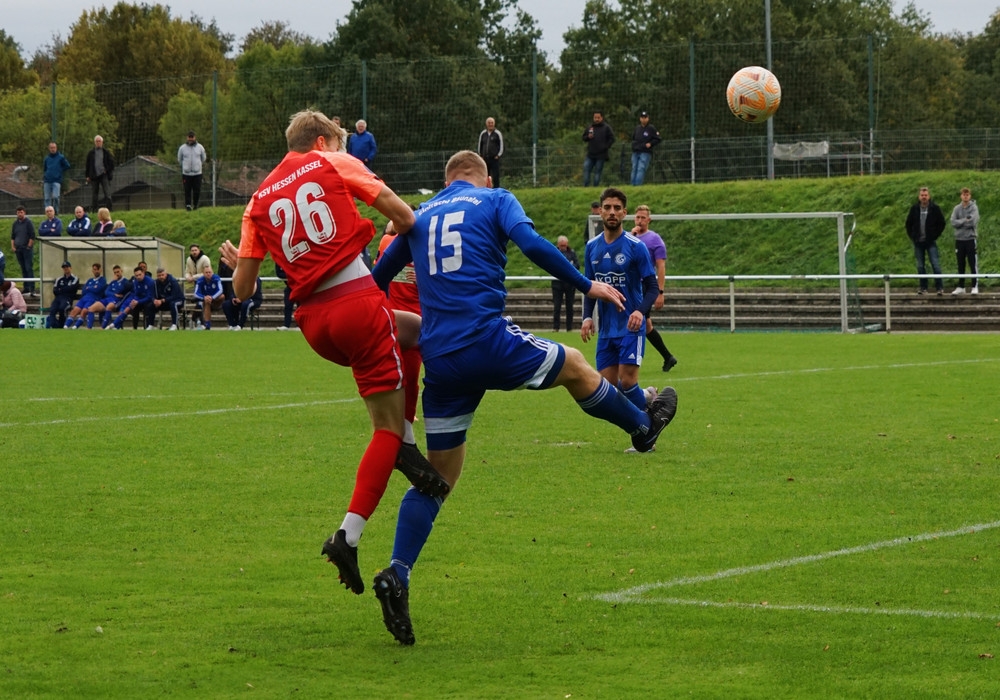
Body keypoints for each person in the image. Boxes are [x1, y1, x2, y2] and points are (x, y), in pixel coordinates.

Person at [371, 151, 677, 645]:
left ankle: (398, 572)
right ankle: (642, 427)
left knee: (439, 477)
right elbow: (532, 243)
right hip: (488, 341)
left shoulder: (417, 215)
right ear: (484, 177)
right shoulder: (495, 198)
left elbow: (376, 285)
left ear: (444, 181)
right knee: (577, 368)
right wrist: (585, 283)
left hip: (441, 358)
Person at [220, 109, 449, 599]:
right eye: (341, 142)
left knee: (418, 334)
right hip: (357, 304)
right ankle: (349, 533)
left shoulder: (257, 199)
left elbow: (241, 290)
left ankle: (406, 443)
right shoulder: (333, 164)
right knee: (384, 426)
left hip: (314, 322)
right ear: (323, 141)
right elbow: (405, 217)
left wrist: (236, 263)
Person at [377, 219, 423, 443]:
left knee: (403, 371)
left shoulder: (416, 246)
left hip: (405, 316)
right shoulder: (389, 242)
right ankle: (403, 419)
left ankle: (401, 418)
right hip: (404, 317)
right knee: (407, 373)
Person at [631, 205, 678, 371]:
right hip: (630, 284)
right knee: (646, 325)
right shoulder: (630, 237)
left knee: (638, 322)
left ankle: (633, 359)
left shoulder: (654, 239)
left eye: (643, 218)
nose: (640, 220)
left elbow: (661, 267)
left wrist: (660, 292)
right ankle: (668, 357)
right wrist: (631, 235)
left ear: (649, 220)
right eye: (637, 217)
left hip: (644, 286)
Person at [904, 187, 945, 295]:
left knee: (935, 264)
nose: (924, 197)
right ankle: (923, 287)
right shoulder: (914, 209)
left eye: (926, 195)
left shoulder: (935, 208)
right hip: (918, 242)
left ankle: (939, 287)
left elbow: (941, 223)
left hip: (930, 241)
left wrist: (934, 235)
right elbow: (908, 224)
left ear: (929, 196)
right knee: (920, 265)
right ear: (919, 196)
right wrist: (913, 236)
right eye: (922, 195)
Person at [950, 187, 979, 295]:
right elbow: (953, 222)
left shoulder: (974, 208)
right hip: (959, 239)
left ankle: (974, 285)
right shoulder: (957, 208)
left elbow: (972, 222)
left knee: (972, 263)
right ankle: (961, 286)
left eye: (967, 194)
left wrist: (960, 222)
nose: (965, 196)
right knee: (960, 263)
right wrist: (964, 220)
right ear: (961, 196)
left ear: (970, 196)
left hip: (970, 239)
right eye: (963, 194)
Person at [109, 265, 156, 330]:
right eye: (136, 276)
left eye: (140, 275)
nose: (138, 277)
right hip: (140, 300)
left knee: (148, 306)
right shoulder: (135, 282)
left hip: (149, 301)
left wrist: (137, 301)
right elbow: (137, 294)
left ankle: (148, 326)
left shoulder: (150, 281)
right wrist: (134, 301)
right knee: (132, 307)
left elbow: (150, 297)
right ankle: (134, 328)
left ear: (143, 273)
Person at [551, 235, 580, 331]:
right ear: (558, 245)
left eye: (565, 245)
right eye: (561, 246)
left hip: (569, 283)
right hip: (557, 283)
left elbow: (577, 265)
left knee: (570, 306)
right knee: (557, 306)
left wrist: (569, 268)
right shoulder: (553, 252)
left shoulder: (572, 253)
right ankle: (556, 327)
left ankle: (569, 328)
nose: (563, 247)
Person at [66, 263, 107, 329]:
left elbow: (98, 290)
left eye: (97, 269)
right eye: (94, 269)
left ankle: (75, 326)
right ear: (92, 270)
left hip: (94, 299)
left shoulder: (102, 280)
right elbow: (84, 291)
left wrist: (89, 288)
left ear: (100, 270)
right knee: (75, 310)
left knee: (84, 311)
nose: (95, 271)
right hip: (84, 298)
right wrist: (92, 287)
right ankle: (66, 326)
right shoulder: (90, 280)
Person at [91, 264, 130, 329]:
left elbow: (120, 291)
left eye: (118, 272)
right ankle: (89, 328)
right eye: (115, 273)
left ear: (121, 271)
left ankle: (103, 327)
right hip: (108, 299)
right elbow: (106, 292)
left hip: (117, 301)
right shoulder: (113, 281)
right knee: (91, 308)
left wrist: (114, 292)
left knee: (109, 307)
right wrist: (114, 293)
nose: (117, 274)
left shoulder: (125, 281)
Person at [582, 111, 615, 187]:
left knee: (597, 172)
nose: (596, 119)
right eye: (595, 118)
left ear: (602, 118)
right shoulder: (590, 127)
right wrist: (588, 137)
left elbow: (612, 138)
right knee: (586, 169)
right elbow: (583, 137)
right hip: (590, 154)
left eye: (598, 118)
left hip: (601, 155)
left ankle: (595, 187)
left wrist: (606, 146)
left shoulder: (606, 128)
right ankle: (586, 186)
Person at [85, 135, 115, 212]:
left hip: (104, 175)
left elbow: (112, 163)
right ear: (95, 142)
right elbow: (87, 165)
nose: (98, 143)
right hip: (94, 176)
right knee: (94, 193)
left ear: (102, 142)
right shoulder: (91, 153)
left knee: (107, 192)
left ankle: (109, 209)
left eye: (99, 141)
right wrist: (87, 175)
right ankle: (94, 209)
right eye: (97, 141)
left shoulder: (106, 152)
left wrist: (106, 170)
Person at [630, 111, 661, 186]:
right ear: (640, 119)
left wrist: (650, 143)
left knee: (641, 168)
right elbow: (633, 138)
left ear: (648, 118)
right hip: (636, 151)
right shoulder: (637, 128)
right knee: (634, 168)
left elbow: (658, 139)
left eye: (645, 118)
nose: (643, 119)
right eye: (642, 118)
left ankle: (638, 185)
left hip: (645, 152)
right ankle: (632, 185)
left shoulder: (651, 128)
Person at [178, 131, 207, 211]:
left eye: (192, 137)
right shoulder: (182, 148)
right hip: (186, 174)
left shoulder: (200, 147)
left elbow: (203, 158)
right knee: (187, 190)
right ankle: (188, 205)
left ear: (195, 137)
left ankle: (195, 205)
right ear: (187, 138)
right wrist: (185, 167)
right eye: (189, 137)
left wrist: (197, 166)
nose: (190, 139)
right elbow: (180, 159)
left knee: (197, 190)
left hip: (197, 173)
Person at [10, 205, 36, 295]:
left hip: (26, 249)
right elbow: (13, 236)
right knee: (23, 268)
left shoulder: (28, 222)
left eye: (21, 212)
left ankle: (32, 287)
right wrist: (13, 246)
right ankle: (26, 287)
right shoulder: (15, 224)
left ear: (24, 212)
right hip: (18, 249)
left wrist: (29, 246)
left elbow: (32, 235)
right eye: (18, 212)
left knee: (29, 267)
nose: (19, 214)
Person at [47, 262, 79, 328]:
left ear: (70, 268)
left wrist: (61, 289)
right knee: (52, 310)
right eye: (64, 267)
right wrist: (65, 289)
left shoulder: (74, 278)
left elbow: (72, 288)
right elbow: (55, 290)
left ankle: (61, 325)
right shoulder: (59, 279)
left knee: (62, 308)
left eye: (67, 267)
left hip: (68, 298)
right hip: (58, 298)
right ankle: (54, 326)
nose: (65, 269)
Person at [43, 142, 71, 214]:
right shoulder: (47, 158)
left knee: (56, 197)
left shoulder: (61, 157)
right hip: (47, 180)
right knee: (47, 198)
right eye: (51, 148)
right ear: (49, 149)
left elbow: (67, 165)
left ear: (56, 148)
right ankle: (48, 212)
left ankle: (55, 211)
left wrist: (60, 170)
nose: (53, 149)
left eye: (54, 148)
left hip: (56, 180)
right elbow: (45, 168)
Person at [193, 265, 224, 330]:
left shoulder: (216, 278)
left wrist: (212, 297)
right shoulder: (200, 280)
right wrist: (204, 297)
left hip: (215, 299)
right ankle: (207, 324)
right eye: (206, 272)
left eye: (209, 272)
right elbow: (196, 293)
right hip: (206, 300)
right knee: (207, 302)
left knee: (222, 296)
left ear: (212, 272)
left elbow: (220, 290)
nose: (208, 274)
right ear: (203, 273)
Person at [477, 117, 504, 188]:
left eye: (492, 123)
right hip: (485, 158)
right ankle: (486, 189)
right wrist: (480, 155)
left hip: (494, 159)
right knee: (486, 175)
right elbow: (480, 145)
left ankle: (496, 190)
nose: (490, 124)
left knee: (495, 176)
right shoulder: (483, 134)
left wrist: (498, 155)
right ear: (486, 124)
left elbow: (501, 145)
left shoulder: (497, 133)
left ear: (494, 124)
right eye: (489, 123)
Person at [273, 262, 297, 330]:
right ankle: (286, 325)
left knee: (300, 305)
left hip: (299, 286)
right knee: (288, 306)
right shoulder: (278, 261)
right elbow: (279, 273)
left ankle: (300, 325)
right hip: (289, 287)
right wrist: (290, 276)